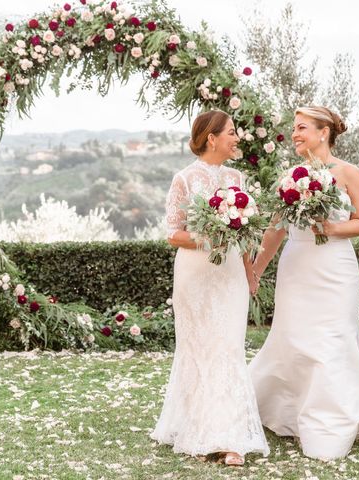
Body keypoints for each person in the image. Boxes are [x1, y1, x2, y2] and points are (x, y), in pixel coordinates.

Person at [248, 106, 359, 460]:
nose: (295, 134)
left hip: (335, 267)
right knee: (292, 336)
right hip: (296, 264)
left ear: (323, 132)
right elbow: (276, 229)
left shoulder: (348, 172)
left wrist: (330, 228)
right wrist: (255, 270)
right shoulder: (290, 175)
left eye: (301, 128)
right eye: (294, 129)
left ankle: (330, 419)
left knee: (331, 339)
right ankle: (286, 409)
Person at [150, 110, 269, 466]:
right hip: (196, 275)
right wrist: (210, 236)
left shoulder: (238, 178)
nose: (237, 138)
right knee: (199, 349)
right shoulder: (184, 179)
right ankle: (197, 427)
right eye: (232, 132)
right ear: (211, 137)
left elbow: (248, 234)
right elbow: (173, 234)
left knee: (228, 348)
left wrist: (250, 272)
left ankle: (229, 435)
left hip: (230, 273)